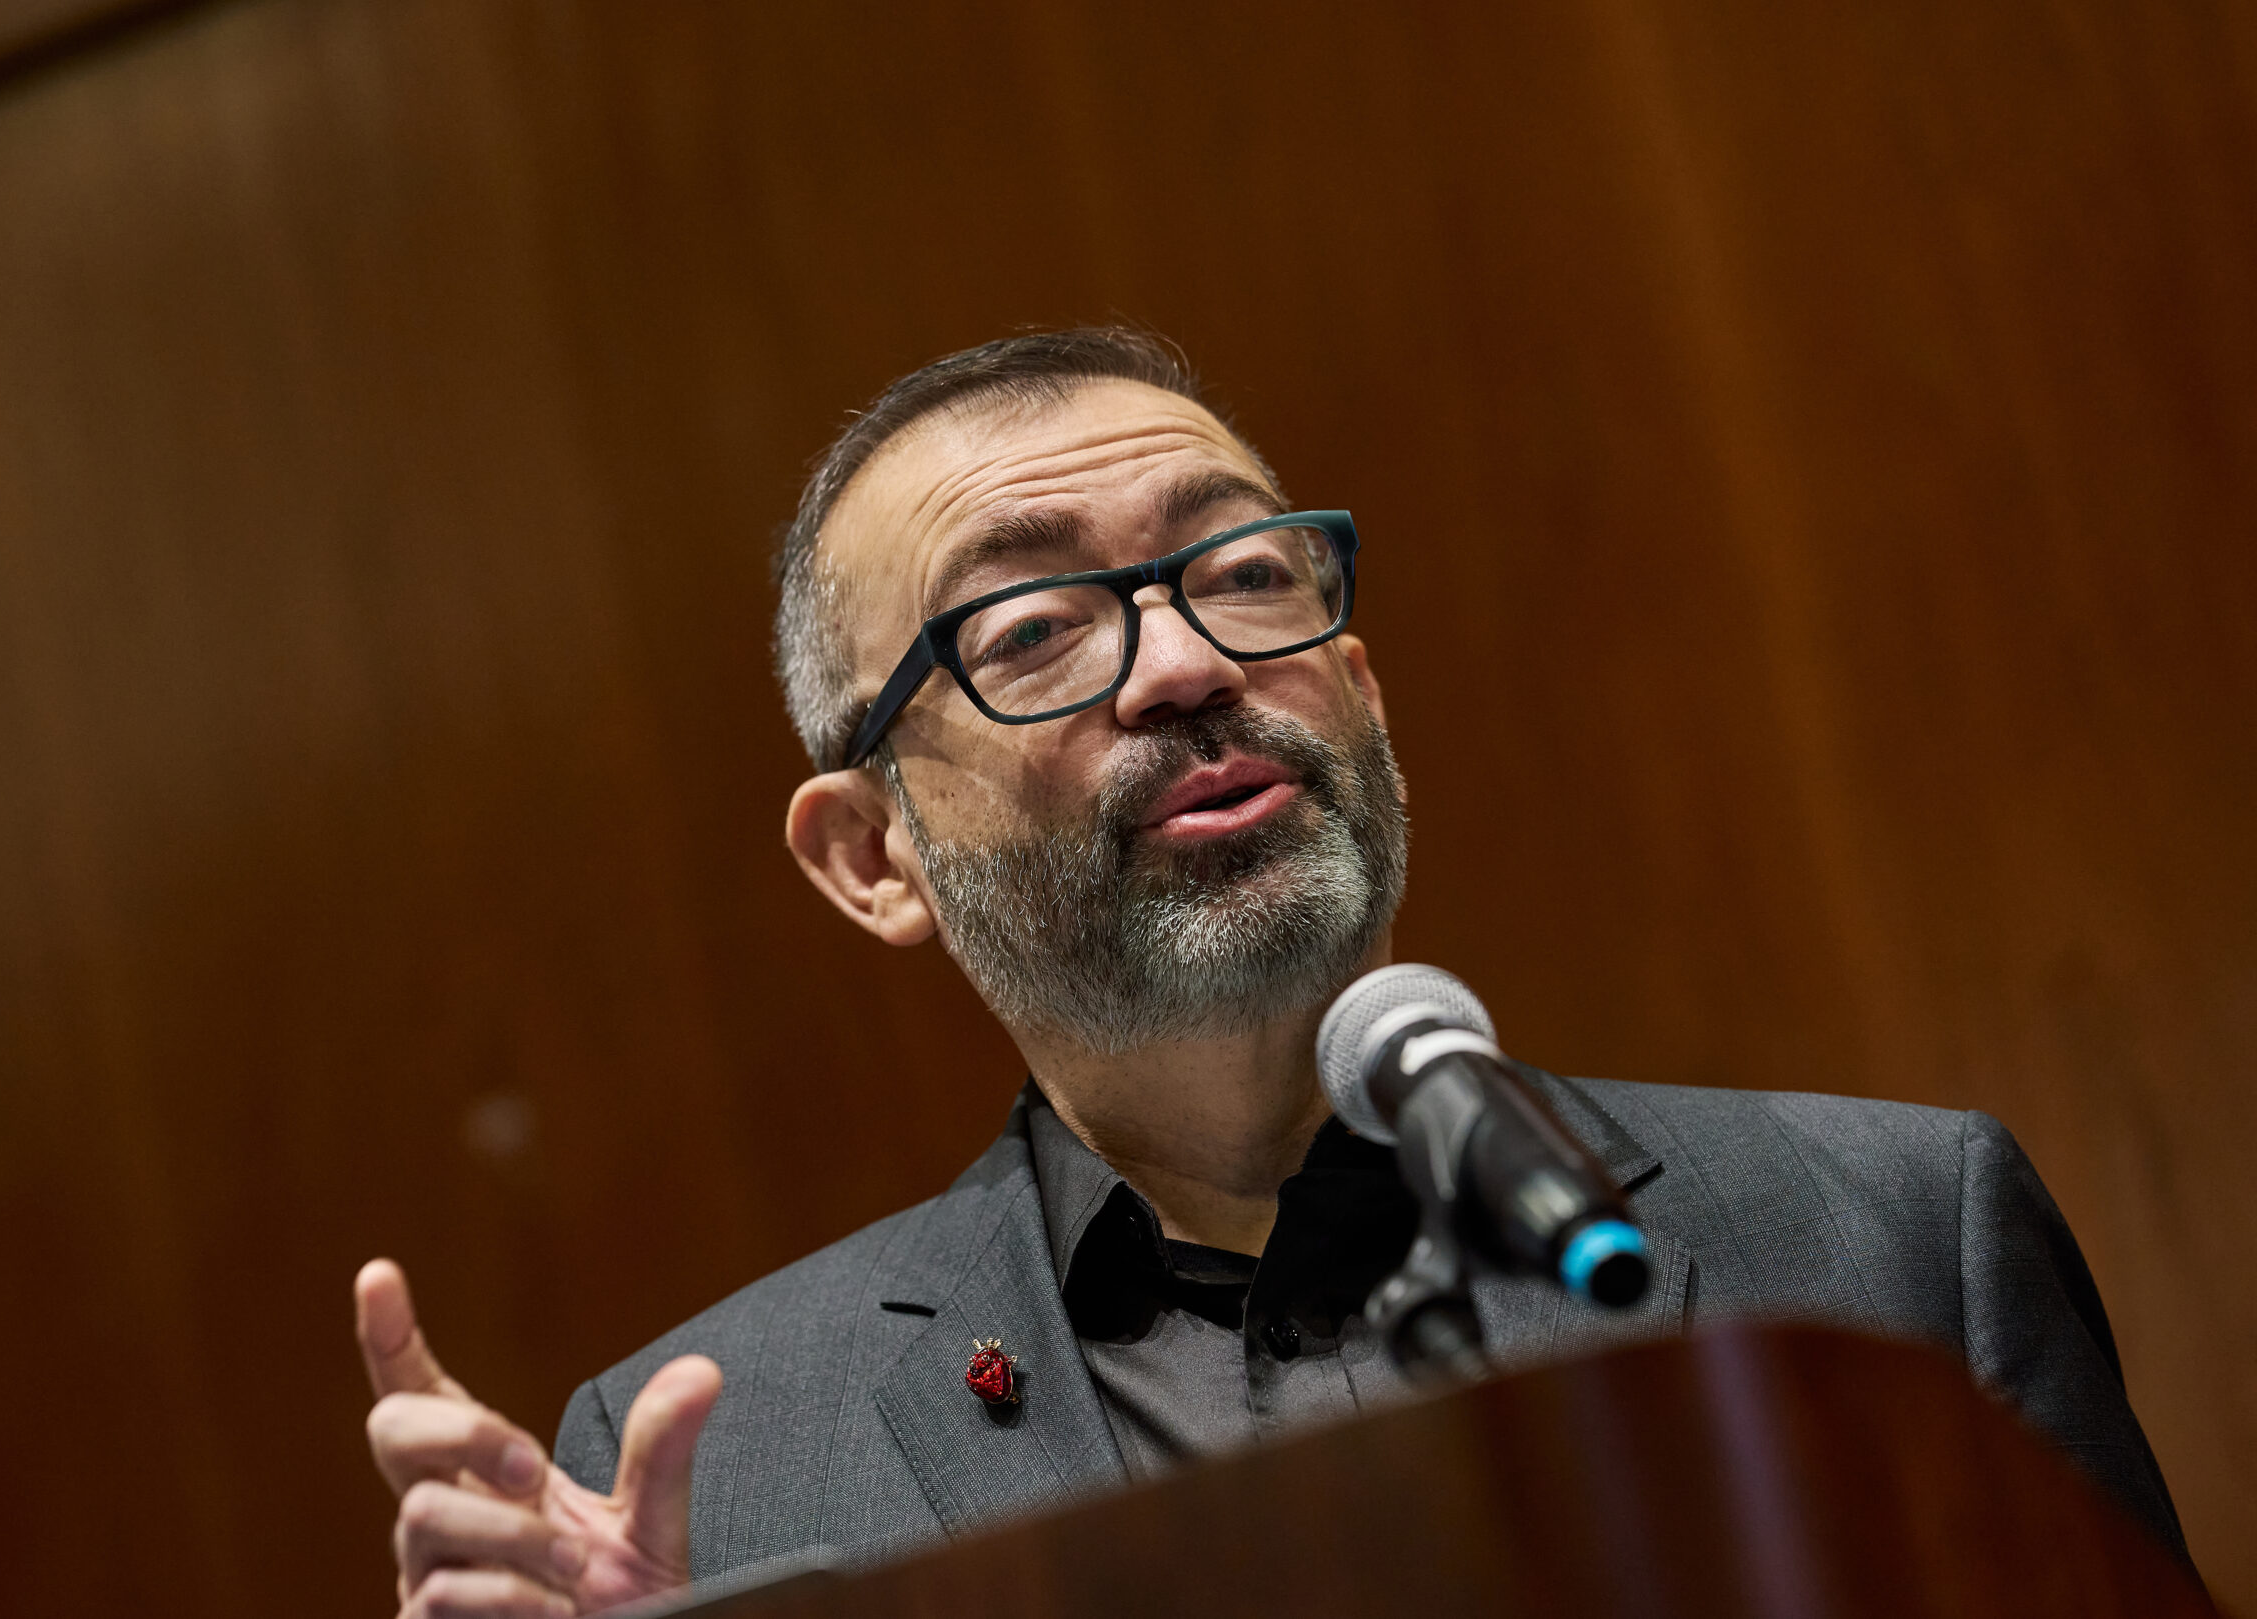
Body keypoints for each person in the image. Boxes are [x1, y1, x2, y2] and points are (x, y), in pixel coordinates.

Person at [353, 328, 2192, 1616]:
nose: (1182, 667)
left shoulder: (1887, 1232)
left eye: (1241, 571)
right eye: (1037, 626)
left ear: (1361, 688)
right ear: (873, 856)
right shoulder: (723, 1451)